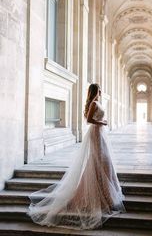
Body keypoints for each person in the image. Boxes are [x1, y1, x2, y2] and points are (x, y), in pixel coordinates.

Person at [28, 83, 125, 230]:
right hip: (96, 133)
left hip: (100, 134)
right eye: (99, 89)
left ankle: (106, 195)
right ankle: (99, 196)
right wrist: (102, 122)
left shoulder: (97, 102)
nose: (100, 91)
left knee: (102, 161)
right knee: (100, 160)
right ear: (95, 91)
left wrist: (101, 123)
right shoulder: (93, 103)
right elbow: (89, 120)